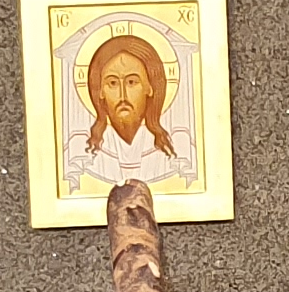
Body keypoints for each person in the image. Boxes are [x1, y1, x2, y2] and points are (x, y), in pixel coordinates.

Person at [62, 28, 195, 191]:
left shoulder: (174, 150)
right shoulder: (83, 153)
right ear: (100, 91)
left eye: (132, 82)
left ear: (150, 87)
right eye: (112, 83)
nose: (122, 95)